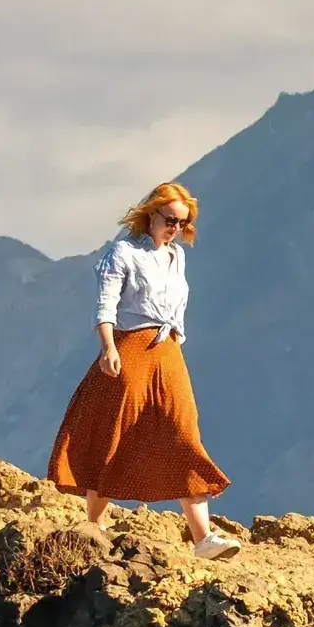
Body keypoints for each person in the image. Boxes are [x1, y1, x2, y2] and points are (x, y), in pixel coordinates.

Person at [48, 180, 239, 558]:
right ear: (151, 215)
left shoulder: (177, 257)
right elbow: (104, 306)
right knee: (114, 433)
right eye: (170, 220)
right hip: (130, 347)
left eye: (183, 224)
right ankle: (95, 525)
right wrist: (108, 348)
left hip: (168, 352)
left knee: (184, 433)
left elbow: (176, 307)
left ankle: (203, 538)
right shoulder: (122, 253)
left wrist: (175, 343)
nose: (176, 229)